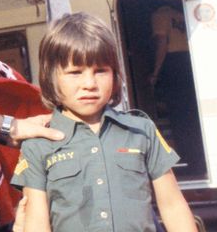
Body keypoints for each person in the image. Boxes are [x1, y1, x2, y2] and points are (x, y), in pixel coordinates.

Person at [11, 13, 196, 232]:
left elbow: (173, 206)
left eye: (100, 71)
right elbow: (37, 224)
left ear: (115, 74)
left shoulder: (142, 130)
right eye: (75, 72)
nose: (89, 83)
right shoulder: (37, 145)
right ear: (50, 77)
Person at [148, 3, 206, 179]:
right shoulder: (180, 13)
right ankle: (200, 161)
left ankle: (192, 163)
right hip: (188, 62)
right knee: (192, 115)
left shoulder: (160, 15)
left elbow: (162, 43)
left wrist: (155, 73)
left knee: (179, 117)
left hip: (173, 64)